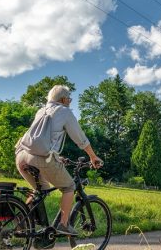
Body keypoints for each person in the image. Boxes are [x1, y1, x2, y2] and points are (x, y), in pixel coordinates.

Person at [15, 85, 102, 236]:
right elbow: (80, 138)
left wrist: (56, 156)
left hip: (21, 156)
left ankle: (22, 219)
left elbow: (40, 140)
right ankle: (63, 224)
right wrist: (93, 157)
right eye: (69, 99)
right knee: (69, 186)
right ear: (63, 99)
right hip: (41, 159)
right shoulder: (64, 111)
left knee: (40, 189)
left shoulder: (41, 111)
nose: (70, 102)